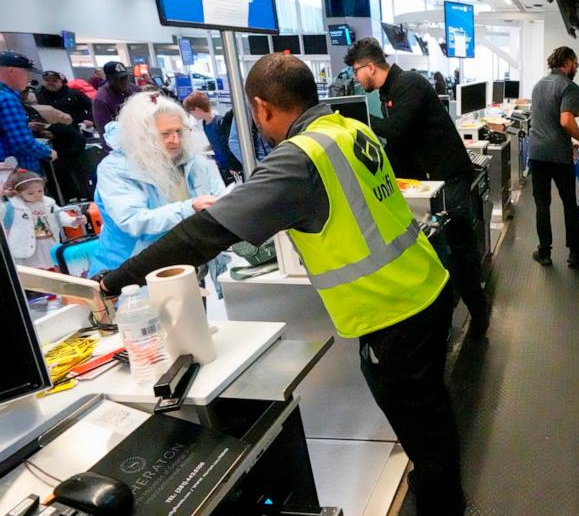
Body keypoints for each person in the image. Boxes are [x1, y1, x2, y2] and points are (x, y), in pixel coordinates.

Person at [95, 53, 466, 515]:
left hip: (392, 313)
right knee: (430, 414)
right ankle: (434, 479)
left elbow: (204, 233)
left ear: (260, 107)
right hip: (424, 285)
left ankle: (441, 501)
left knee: (422, 427)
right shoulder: (349, 129)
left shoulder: (300, 158)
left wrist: (114, 281)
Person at [345, 37, 490, 335]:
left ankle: (479, 317)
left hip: (448, 177)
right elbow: (400, 145)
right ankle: (444, 324)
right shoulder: (389, 91)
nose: (356, 79)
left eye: (356, 71)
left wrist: (356, 120)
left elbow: (397, 130)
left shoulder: (409, 84)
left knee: (458, 249)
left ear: (370, 67)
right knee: (440, 250)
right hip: (430, 180)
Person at [88, 93, 225, 275]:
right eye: (165, 134)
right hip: (131, 276)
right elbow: (134, 222)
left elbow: (219, 198)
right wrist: (190, 208)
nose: (175, 140)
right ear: (142, 135)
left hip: (187, 267)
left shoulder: (193, 162)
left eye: (179, 131)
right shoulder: (116, 170)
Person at [527, 46, 579, 267]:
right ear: (568, 62)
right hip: (558, 155)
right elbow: (566, 121)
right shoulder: (569, 87)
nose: (576, 68)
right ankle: (574, 252)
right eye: (576, 64)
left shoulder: (538, 85)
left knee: (542, 204)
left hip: (536, 153)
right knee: (569, 203)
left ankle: (544, 252)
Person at [2, 169, 79, 269]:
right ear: (19, 193)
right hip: (26, 248)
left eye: (40, 191)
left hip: (49, 243)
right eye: (31, 193)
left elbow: (61, 216)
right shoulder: (11, 206)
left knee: (54, 268)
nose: (37, 195)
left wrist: (74, 221)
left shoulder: (49, 202)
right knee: (35, 274)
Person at [0, 51, 57, 173]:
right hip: (16, 173)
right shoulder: (6, 98)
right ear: (11, 71)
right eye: (27, 72)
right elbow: (22, 142)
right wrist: (48, 152)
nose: (29, 78)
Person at [183, 91, 243, 184]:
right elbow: (216, 142)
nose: (192, 115)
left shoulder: (219, 123)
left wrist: (233, 167)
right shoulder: (204, 123)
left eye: (191, 111)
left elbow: (229, 146)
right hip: (221, 168)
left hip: (231, 170)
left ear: (198, 109)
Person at [92, 60, 139, 141]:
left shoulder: (134, 89)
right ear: (108, 79)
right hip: (120, 141)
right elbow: (105, 133)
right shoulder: (101, 100)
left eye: (125, 77)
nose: (124, 82)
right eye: (119, 79)